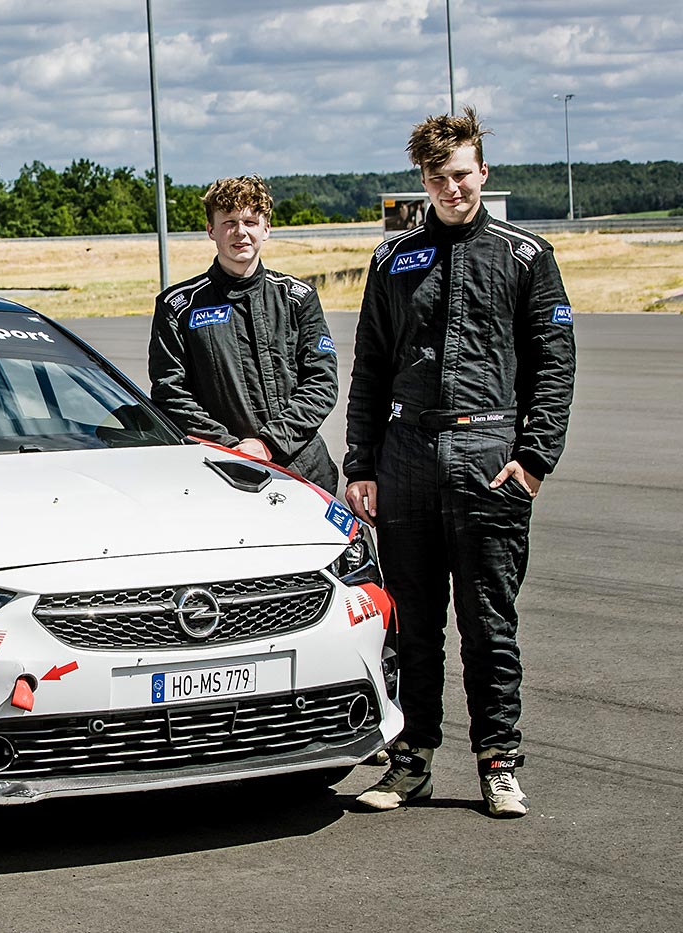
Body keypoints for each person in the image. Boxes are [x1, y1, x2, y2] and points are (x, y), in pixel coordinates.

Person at [344, 108, 576, 818]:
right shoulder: (394, 259)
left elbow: (554, 364)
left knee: (488, 624)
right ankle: (410, 762)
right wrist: (361, 463)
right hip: (408, 454)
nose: (454, 188)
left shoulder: (526, 255)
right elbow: (370, 367)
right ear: (423, 180)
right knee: (413, 625)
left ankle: (499, 762)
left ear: (484, 172)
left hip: (489, 456)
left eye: (464, 175)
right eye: (440, 178)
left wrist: (534, 459)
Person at [148, 175, 338, 493]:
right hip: (221, 473)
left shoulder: (297, 297)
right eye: (229, 222)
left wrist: (268, 443)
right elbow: (170, 392)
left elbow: (322, 383)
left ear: (266, 228)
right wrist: (232, 449)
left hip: (303, 470)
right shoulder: (178, 306)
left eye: (250, 221)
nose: (241, 232)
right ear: (211, 229)